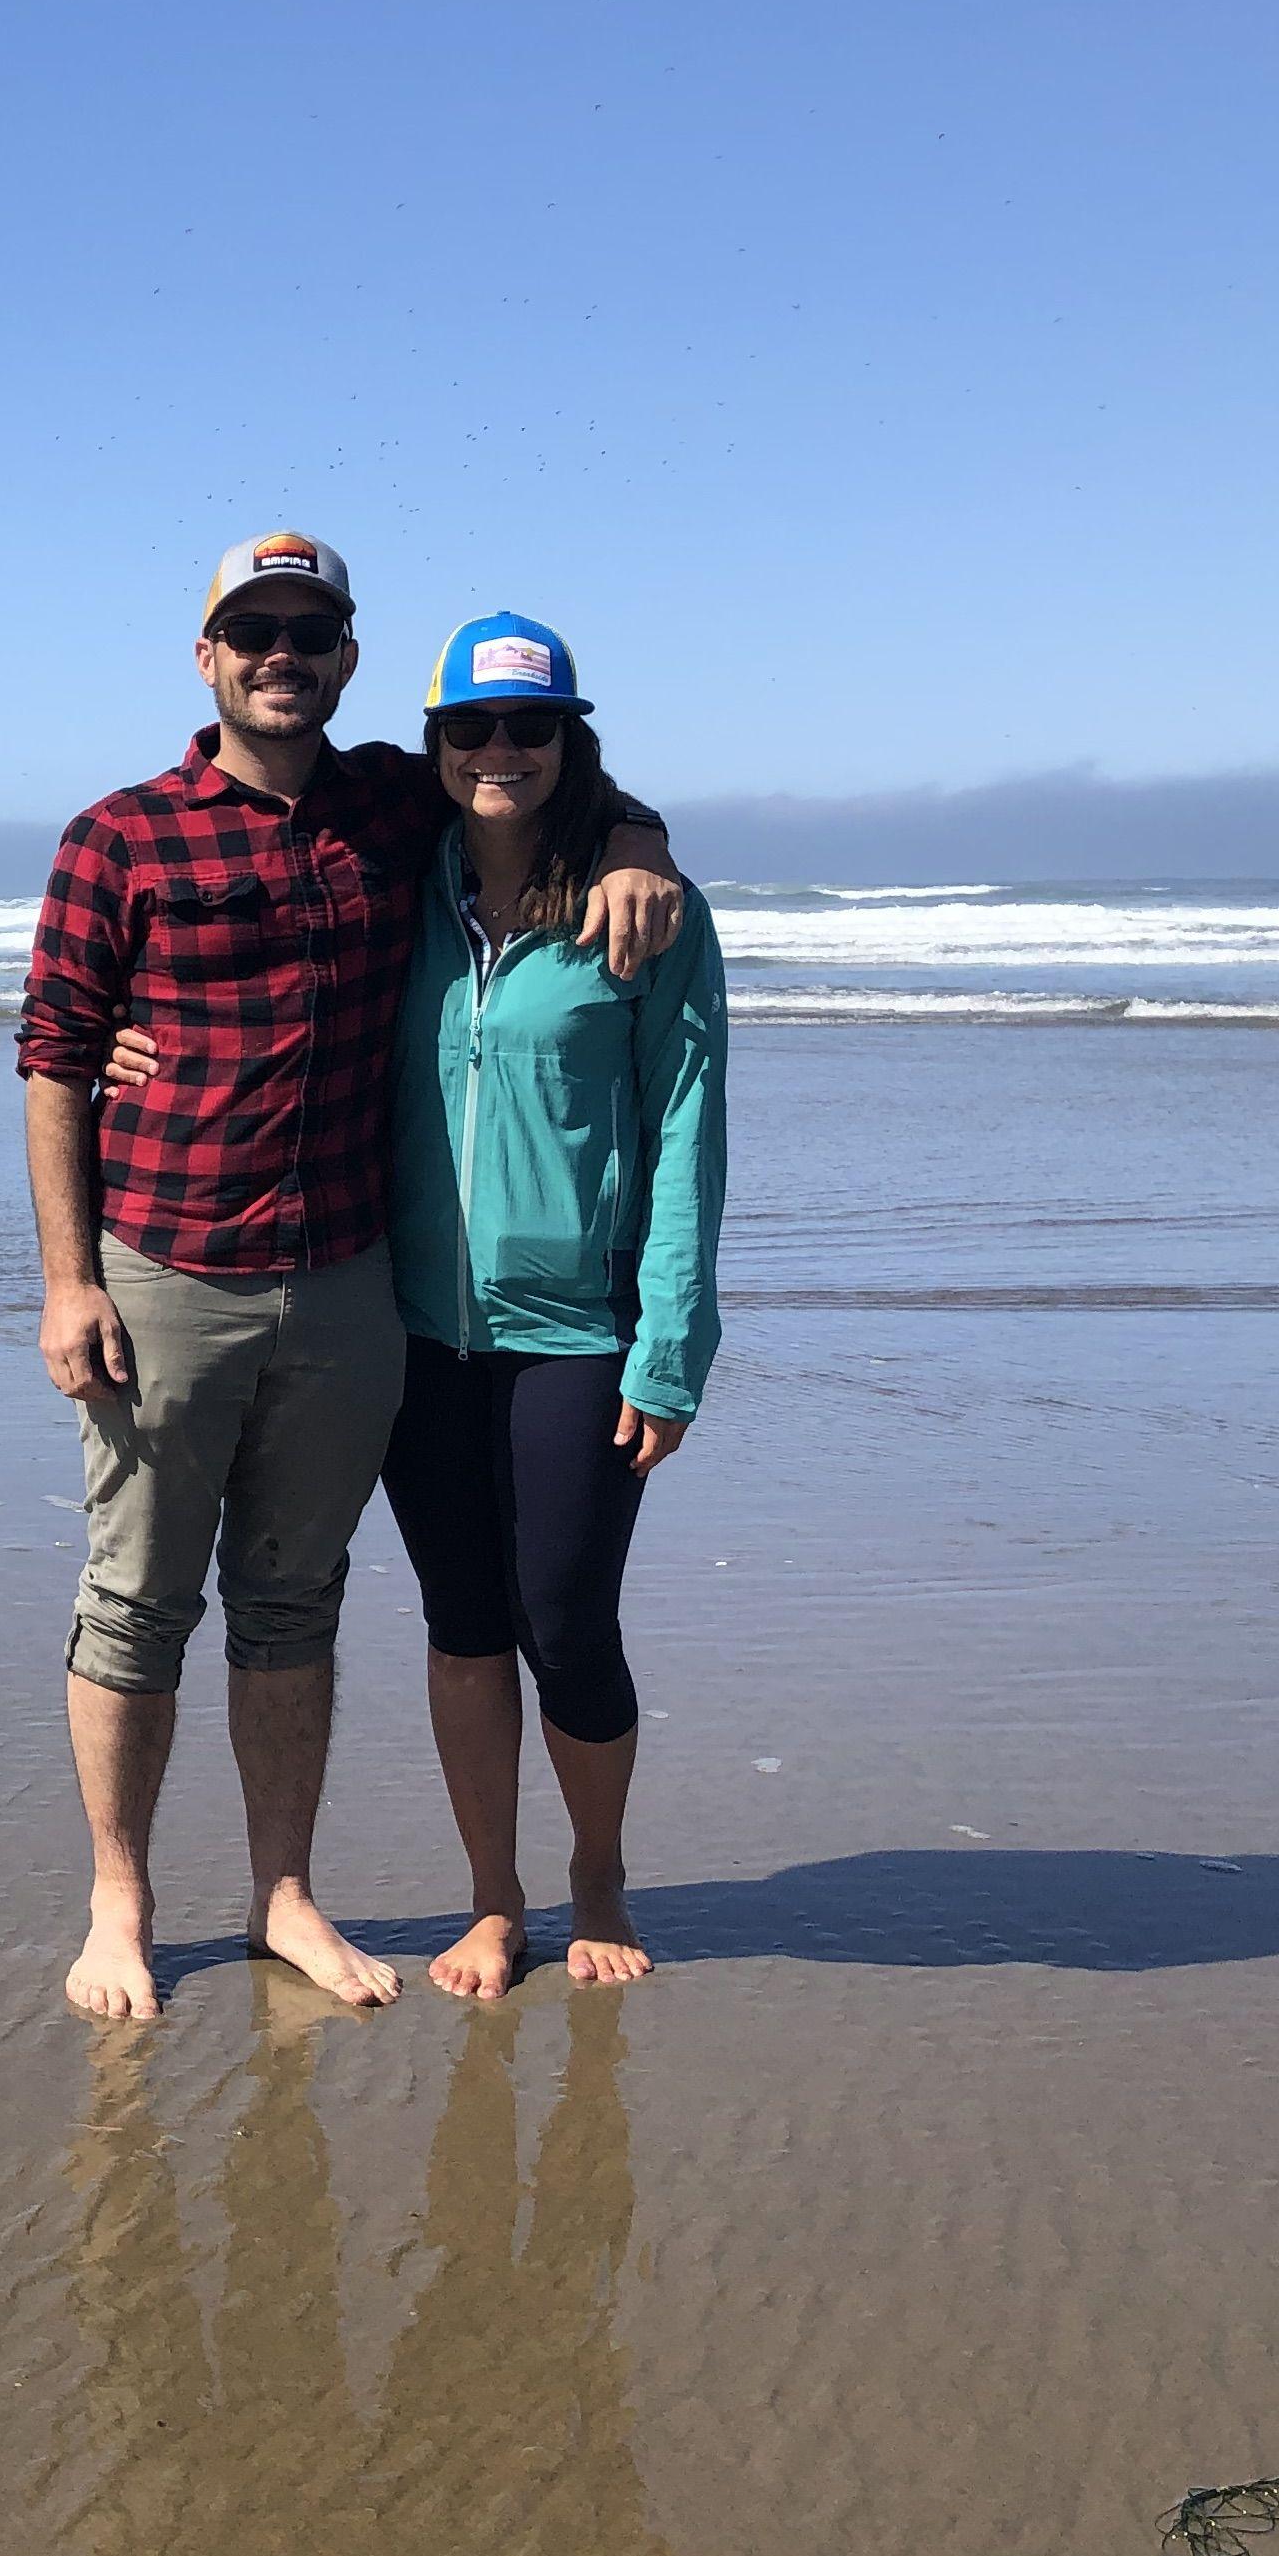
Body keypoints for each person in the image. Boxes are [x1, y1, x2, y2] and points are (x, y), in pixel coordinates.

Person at [20, 532, 683, 2023]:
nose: (280, 654)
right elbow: (55, 1057)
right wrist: (68, 1280)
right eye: (252, 630)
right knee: (134, 1602)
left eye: (308, 633)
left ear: (346, 661)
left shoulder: (392, 803)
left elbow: (540, 776)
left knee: (293, 1604)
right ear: (206, 657)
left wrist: (640, 841)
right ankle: (120, 1906)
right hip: (165, 1275)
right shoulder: (118, 837)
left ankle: (281, 1897)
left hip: (346, 1284)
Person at [377, 612, 725, 1999]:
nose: (500, 750)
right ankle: (491, 1900)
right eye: (472, 726)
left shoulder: (641, 914)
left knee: (568, 1620)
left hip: (580, 1330)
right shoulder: (398, 876)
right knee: (462, 1622)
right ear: (437, 741)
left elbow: (690, 1129)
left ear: (572, 738)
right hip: (412, 1326)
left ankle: (597, 1873)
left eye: (531, 726)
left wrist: (672, 1346)